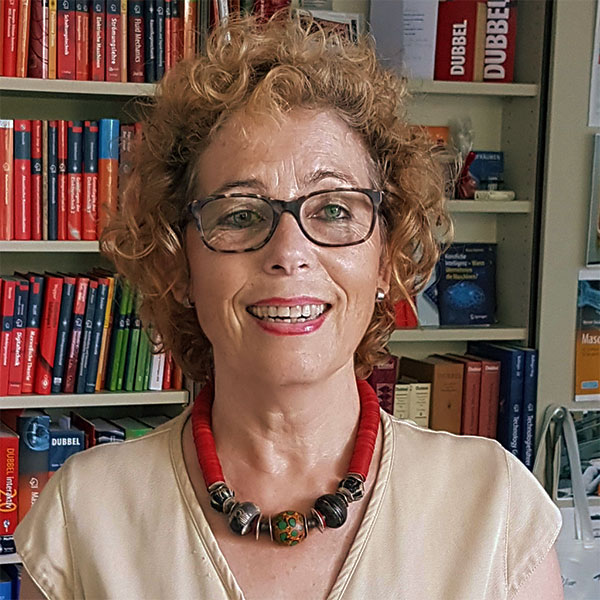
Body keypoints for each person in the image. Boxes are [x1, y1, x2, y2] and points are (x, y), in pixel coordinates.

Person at [16, 13, 563, 600]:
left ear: (386, 258)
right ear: (178, 265)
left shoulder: (496, 512)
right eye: (240, 214)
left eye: (334, 210)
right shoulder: (82, 520)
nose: (289, 253)